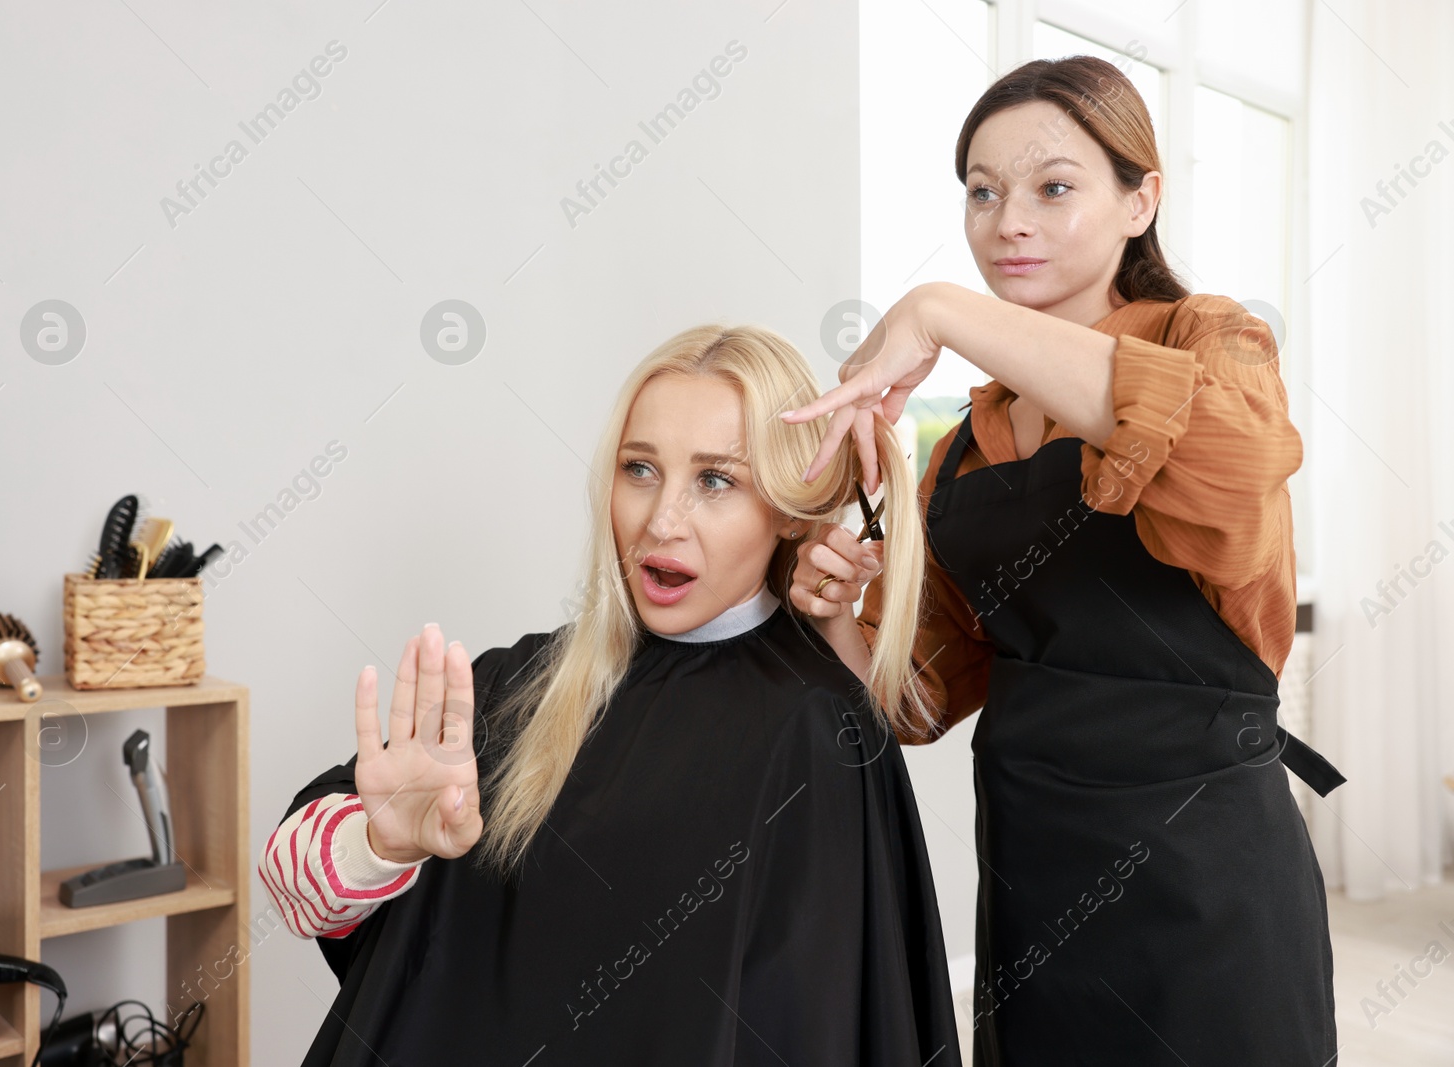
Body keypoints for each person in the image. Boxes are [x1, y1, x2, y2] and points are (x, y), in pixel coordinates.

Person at [780, 56, 1346, 1065]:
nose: (1008, 222)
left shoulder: (1211, 341)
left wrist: (945, 312)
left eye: (1052, 186)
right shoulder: (957, 447)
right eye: (982, 191)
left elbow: (1230, 467)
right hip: (1036, 878)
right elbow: (914, 702)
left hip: (1206, 875)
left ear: (1141, 199)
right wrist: (834, 614)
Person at [261, 324, 964, 1066]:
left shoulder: (815, 728)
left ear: (790, 507)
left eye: (715, 479)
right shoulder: (515, 684)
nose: (662, 521)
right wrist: (381, 844)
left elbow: (813, 1025)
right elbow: (294, 890)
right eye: (640, 469)